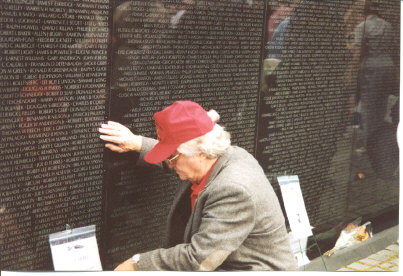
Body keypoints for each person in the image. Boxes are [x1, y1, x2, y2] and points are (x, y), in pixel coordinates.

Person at [98, 101, 297, 271]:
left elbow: (200, 259)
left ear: (201, 153)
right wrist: (137, 143)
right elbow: (181, 151)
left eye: (172, 157)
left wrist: (137, 264)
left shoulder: (234, 189)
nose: (169, 164)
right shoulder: (218, 156)